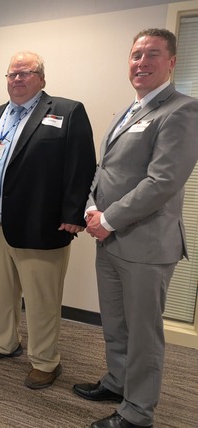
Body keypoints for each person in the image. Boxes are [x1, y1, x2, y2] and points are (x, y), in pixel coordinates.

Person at [73, 29, 198, 428]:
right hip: (110, 240)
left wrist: (108, 219)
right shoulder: (127, 111)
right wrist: (92, 207)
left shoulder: (181, 111)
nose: (141, 62)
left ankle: (138, 412)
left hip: (146, 246)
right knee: (115, 323)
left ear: (171, 62)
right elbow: (105, 170)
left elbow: (162, 182)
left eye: (152, 54)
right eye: (136, 55)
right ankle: (118, 381)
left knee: (144, 334)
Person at [0, 51, 96, 389]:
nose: (17, 79)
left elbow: (82, 166)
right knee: (1, 293)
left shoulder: (67, 111)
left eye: (25, 73)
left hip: (41, 227)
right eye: (12, 74)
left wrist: (74, 214)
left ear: (41, 78)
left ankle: (46, 361)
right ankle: (5, 342)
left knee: (41, 301)